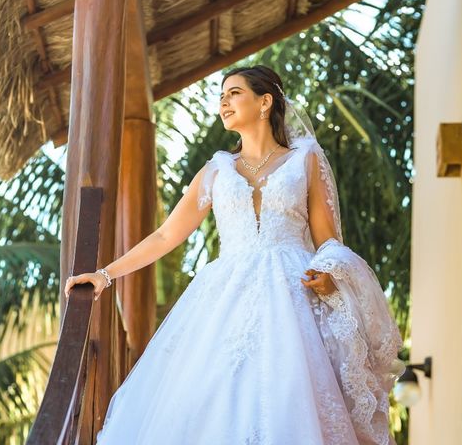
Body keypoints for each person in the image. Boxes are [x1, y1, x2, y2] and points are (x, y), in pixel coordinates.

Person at [64, 64, 405, 444]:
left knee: (290, 395)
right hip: (225, 297)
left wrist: (329, 275)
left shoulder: (304, 159)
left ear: (265, 102)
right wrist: (104, 275)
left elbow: (328, 241)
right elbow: (164, 236)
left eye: (234, 92)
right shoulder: (216, 171)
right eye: (221, 95)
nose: (223, 101)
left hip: (294, 298)